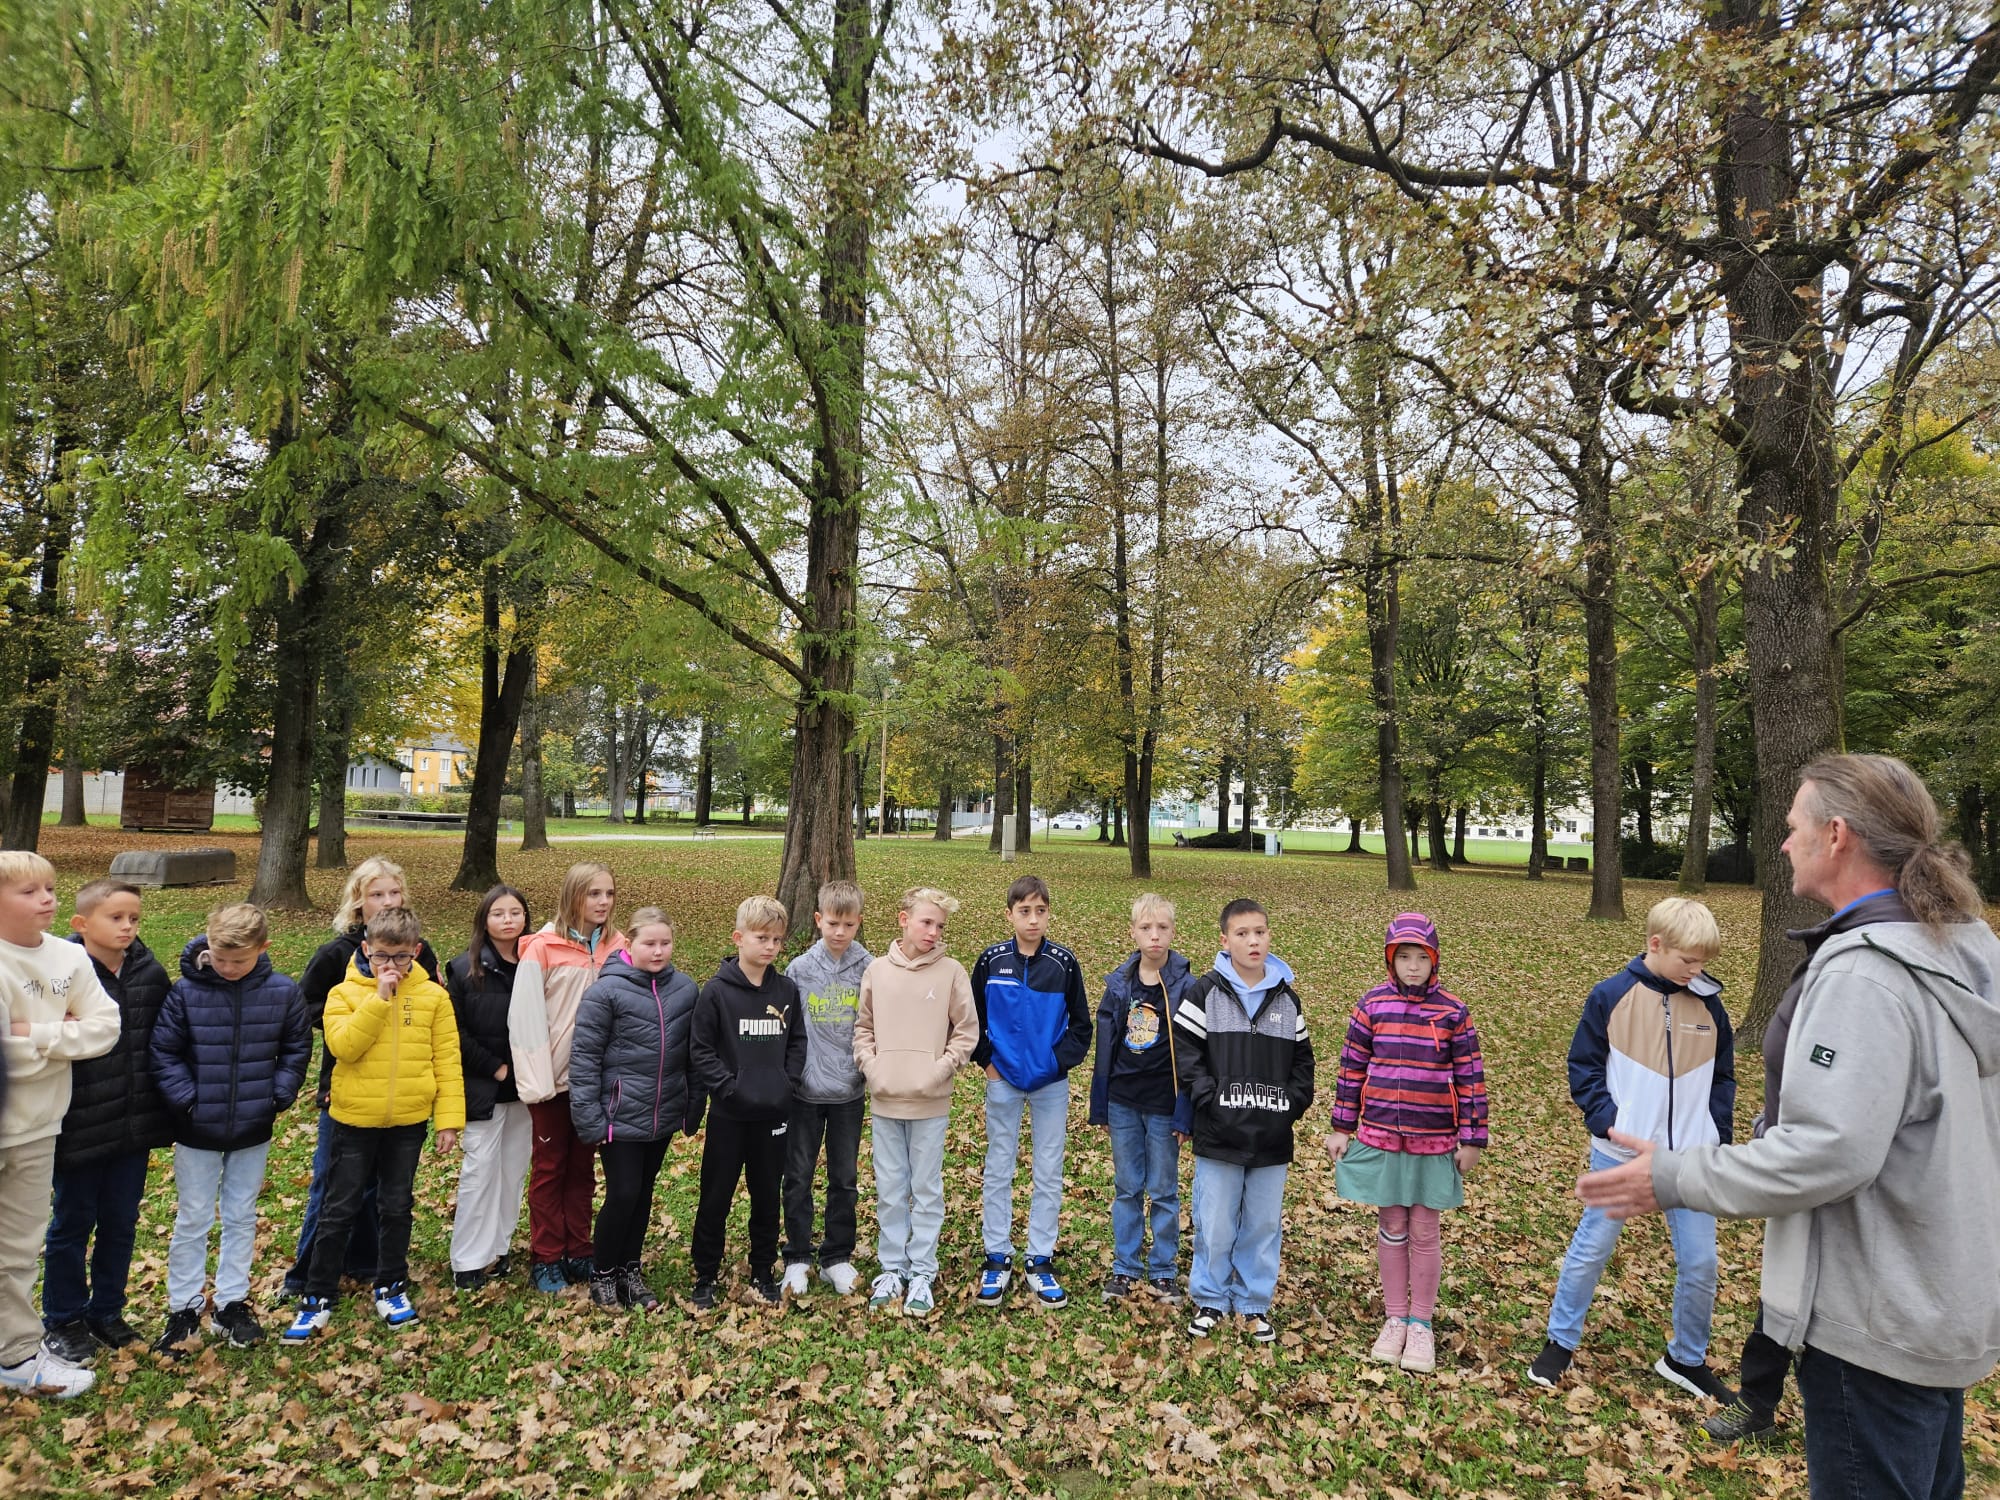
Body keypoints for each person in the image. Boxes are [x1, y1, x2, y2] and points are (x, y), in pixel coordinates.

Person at [1579, 754, 2000, 1500]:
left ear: (1836, 836)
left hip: (1873, 1312)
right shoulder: (1956, 947)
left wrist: (1672, 1174)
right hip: (1936, 1298)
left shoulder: (1867, 973)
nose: (1782, 842)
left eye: (1792, 826)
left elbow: (1829, 1152)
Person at [1528, 896, 1735, 1401]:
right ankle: (1560, 1341)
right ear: (1655, 944)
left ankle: (1686, 1358)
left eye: (1703, 962)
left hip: (1689, 1161)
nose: (1696, 970)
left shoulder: (1710, 1007)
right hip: (1621, 1156)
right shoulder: (1611, 996)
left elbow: (1722, 1077)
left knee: (1701, 1263)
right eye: (1688, 960)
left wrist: (1715, 1132)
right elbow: (1584, 1066)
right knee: (1592, 1248)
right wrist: (1610, 1122)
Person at [283, 908, 463, 1340]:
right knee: (338, 1207)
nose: (391, 965)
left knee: (396, 1206)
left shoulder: (434, 998)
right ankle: (318, 1294)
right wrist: (379, 999)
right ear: (366, 949)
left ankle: (391, 1284)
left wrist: (448, 1121)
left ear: (416, 952)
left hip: (408, 1120)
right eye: (382, 956)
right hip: (354, 1119)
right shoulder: (344, 994)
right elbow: (344, 1046)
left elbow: (447, 1059)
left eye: (401, 957)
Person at [1324, 913, 1487, 1374]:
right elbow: (1351, 1070)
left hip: (1434, 1140)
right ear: (1390, 960)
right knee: (1392, 1225)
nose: (1413, 967)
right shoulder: (1371, 1006)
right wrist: (1342, 1127)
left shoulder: (1453, 1012)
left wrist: (1472, 1138)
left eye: (1421, 957)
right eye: (1404, 958)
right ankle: (1395, 1318)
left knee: (1425, 1230)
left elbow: (1471, 1078)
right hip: (1382, 1136)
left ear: (1434, 961)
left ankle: (1421, 1324)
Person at [150, 903, 311, 1357]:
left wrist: (277, 1095)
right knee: (193, 1216)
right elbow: (164, 1052)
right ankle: (183, 1307)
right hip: (197, 1128)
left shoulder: (283, 992)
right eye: (221, 959)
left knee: (241, 1214)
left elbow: (296, 1047)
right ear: (208, 946)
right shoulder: (185, 993)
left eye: (239, 960)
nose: (229, 968)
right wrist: (189, 1101)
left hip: (253, 1126)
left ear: (263, 948)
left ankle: (231, 1303)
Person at [0, 853, 119, 1399]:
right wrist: (62, 1036)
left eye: (49, 887)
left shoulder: (69, 957)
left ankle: (16, 1355)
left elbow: (105, 1029)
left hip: (39, 1127)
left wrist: (33, 1032)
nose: (46, 898)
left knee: (19, 1250)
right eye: (28, 891)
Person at [40, 880, 174, 1365]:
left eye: (134, 918)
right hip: (77, 1124)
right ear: (81, 923)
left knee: (121, 1221)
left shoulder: (149, 973)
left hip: (131, 1125)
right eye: (115, 918)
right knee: (72, 1223)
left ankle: (107, 1310)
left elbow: (166, 1035)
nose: (127, 927)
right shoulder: (60, 974)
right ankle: (63, 1318)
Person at [1174, 898, 1315, 1344]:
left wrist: (1289, 1107)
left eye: (1260, 932)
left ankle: (1253, 1303)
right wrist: (1210, 1101)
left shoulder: (1287, 999)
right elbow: (1186, 1056)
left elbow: (1303, 1064)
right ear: (1225, 940)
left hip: (1270, 1138)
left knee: (1262, 1225)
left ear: (1269, 936)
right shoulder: (1204, 993)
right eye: (1242, 933)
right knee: (1215, 1223)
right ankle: (1210, 1299)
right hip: (1219, 1134)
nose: (1253, 941)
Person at [852, 887, 978, 1319]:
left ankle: (922, 1270)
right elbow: (863, 1028)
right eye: (926, 922)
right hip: (886, 1099)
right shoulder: (877, 970)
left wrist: (939, 1070)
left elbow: (966, 1032)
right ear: (903, 919)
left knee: (925, 1189)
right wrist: (873, 1068)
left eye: (940, 926)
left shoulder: (952, 972)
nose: (934, 932)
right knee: (890, 1189)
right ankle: (892, 1268)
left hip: (930, 1103)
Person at [970, 875, 1091, 1310]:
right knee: (998, 1166)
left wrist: (1054, 1064)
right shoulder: (991, 961)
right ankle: (997, 1255)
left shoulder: (1063, 963)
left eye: (1041, 911)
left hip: (1050, 1085)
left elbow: (1081, 1027)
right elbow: (971, 1019)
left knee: (1048, 1169)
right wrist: (989, 1064)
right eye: (1024, 911)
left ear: (1048, 913)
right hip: (1002, 1081)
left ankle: (1040, 1258)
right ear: (1010, 915)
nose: (1033, 919)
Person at [568, 907, 698, 1312]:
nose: (658, 951)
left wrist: (691, 1105)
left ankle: (630, 1270)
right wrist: (590, 1119)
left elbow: (693, 1055)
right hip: (618, 1116)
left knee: (642, 1195)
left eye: (665, 943)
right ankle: (604, 1272)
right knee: (623, 1193)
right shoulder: (606, 992)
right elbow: (584, 1059)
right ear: (630, 943)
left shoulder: (685, 990)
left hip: (662, 1113)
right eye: (649, 943)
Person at [509, 862, 624, 1293]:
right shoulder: (542, 948)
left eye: (609, 893)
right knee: (550, 1169)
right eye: (594, 894)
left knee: (583, 1169)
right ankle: (546, 1255)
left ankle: (579, 1250)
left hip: (597, 1082)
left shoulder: (618, 947)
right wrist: (538, 1082)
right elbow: (525, 1021)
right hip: (554, 1082)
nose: (603, 902)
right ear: (573, 896)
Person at [689, 895, 805, 1309]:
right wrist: (729, 1088)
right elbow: (701, 1050)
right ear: (739, 938)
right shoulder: (716, 993)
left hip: (772, 1115)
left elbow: (797, 1043)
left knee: (766, 1195)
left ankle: (762, 1269)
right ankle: (706, 1274)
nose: (770, 946)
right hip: (729, 1115)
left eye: (777, 939)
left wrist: (786, 1084)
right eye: (761, 938)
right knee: (715, 1195)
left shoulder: (786, 990)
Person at [1087, 892, 1195, 1305]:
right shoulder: (1120, 985)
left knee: (1164, 1189)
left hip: (1165, 1105)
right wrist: (1101, 1104)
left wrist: (1186, 1112)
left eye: (1162, 928)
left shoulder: (1187, 987)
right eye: (1146, 928)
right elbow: (1105, 1046)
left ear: (1173, 932)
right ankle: (1126, 1266)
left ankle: (1164, 1270)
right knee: (1128, 1186)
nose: (1154, 936)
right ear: (1132, 932)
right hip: (1123, 1102)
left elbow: (1194, 1053)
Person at [780, 881, 873, 1299]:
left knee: (844, 1179)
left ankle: (836, 1255)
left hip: (848, 1093)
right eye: (833, 923)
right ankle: (797, 1256)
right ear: (819, 920)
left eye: (848, 925)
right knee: (798, 1177)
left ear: (858, 923)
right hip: (805, 1093)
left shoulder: (869, 968)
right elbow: (787, 1030)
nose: (840, 932)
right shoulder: (799, 970)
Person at [445, 885, 533, 1291]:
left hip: (527, 1089)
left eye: (515, 913)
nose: (508, 920)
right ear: (485, 919)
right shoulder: (464, 969)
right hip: (485, 1087)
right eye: (499, 913)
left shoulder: (535, 963)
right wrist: (496, 1068)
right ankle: (468, 1260)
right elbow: (455, 1031)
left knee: (512, 1173)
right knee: (480, 1172)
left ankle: (499, 1248)